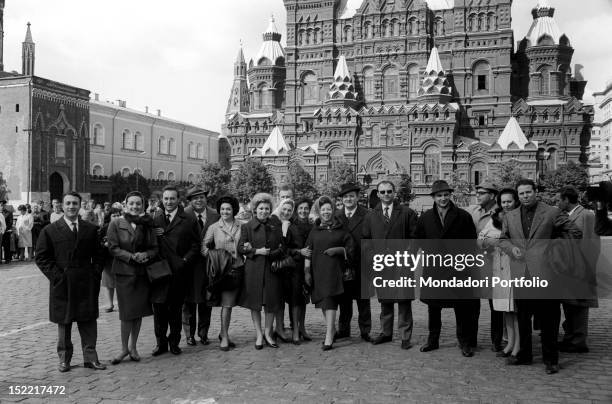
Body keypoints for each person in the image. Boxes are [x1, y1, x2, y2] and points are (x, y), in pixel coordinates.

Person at [499, 179, 582, 374]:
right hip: (521, 273)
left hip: (547, 275)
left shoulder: (551, 212)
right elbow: (503, 239)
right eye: (521, 194)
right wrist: (512, 249)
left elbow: (575, 233)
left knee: (549, 320)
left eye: (528, 192)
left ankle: (551, 360)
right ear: (518, 196)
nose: (525, 196)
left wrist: (553, 250)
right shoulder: (510, 216)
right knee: (523, 318)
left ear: (535, 192)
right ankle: (525, 355)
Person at [35, 192, 106, 372]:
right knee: (64, 323)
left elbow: (99, 255)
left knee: (88, 320)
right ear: (61, 206)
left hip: (86, 282)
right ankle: (64, 359)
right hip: (63, 283)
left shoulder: (90, 229)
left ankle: (90, 358)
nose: (71, 207)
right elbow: (42, 258)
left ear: (80, 205)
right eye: (68, 203)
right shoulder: (50, 230)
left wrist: (95, 274)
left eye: (75, 203)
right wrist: (57, 277)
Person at [416, 180, 480, 357]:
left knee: (462, 308)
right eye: (439, 195)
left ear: (450, 195)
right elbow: (418, 239)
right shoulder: (426, 217)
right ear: (433, 198)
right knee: (433, 308)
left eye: (445, 195)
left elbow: (471, 243)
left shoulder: (462, 216)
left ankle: (464, 342)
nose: (443, 198)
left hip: (457, 269)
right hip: (435, 269)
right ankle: (433, 340)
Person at [362, 181, 418, 350]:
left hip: (402, 264)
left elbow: (415, 238)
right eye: (382, 192)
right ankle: (386, 333)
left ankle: (405, 336)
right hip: (381, 265)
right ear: (377, 194)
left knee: (403, 301)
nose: (386, 194)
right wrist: (373, 257)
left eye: (389, 191)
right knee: (385, 300)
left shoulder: (407, 213)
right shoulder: (371, 215)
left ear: (394, 193)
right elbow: (366, 240)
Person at [107, 191, 157, 364]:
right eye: (132, 204)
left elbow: (154, 248)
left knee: (138, 313)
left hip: (142, 273)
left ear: (143, 206)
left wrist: (146, 254)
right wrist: (130, 256)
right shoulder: (116, 223)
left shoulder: (147, 224)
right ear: (125, 205)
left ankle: (133, 347)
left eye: (138, 204)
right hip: (124, 273)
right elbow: (112, 247)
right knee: (127, 313)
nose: (135, 207)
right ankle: (123, 349)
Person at [151, 185, 201, 356]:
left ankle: (174, 343)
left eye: (172, 198)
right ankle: (160, 343)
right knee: (159, 310)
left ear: (178, 199)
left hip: (178, 272)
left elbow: (196, 245)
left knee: (175, 309)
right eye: (166, 199)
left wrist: (184, 261)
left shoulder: (188, 219)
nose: (169, 202)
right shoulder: (155, 218)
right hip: (159, 272)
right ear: (162, 200)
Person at [305, 196, 355, 350]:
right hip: (318, 271)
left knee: (330, 301)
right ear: (319, 211)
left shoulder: (341, 228)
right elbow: (308, 251)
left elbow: (352, 248)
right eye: (323, 209)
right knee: (323, 302)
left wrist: (340, 250)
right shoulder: (315, 229)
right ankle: (331, 329)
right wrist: (307, 271)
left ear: (333, 211)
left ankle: (328, 336)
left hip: (334, 271)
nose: (326, 212)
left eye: (328, 209)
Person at [557, 185, 600, 353]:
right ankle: (570, 338)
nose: (558, 203)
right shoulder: (564, 215)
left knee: (580, 307)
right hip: (566, 269)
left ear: (566, 200)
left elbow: (592, 244)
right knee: (569, 305)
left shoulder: (587, 215)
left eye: (559, 200)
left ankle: (579, 342)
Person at [478, 188, 521, 359]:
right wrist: (491, 241)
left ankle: (518, 345)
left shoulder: (520, 217)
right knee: (506, 309)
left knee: (516, 309)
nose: (506, 205)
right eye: (503, 202)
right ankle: (510, 342)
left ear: (515, 201)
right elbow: (480, 239)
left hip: (516, 267)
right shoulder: (497, 217)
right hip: (499, 268)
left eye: (509, 201)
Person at [238, 193, 285, 349]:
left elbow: (282, 247)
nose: (264, 211)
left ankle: (267, 333)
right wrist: (256, 251)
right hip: (254, 270)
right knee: (255, 303)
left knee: (271, 302)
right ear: (255, 209)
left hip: (272, 269)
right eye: (261, 208)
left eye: (267, 208)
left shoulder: (275, 225)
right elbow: (240, 248)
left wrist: (272, 253)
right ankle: (259, 334)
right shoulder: (247, 226)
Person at [202, 195, 243, 351]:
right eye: (223, 209)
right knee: (225, 303)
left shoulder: (241, 226)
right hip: (221, 271)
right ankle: (224, 336)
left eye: (228, 209)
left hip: (237, 268)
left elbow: (245, 244)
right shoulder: (214, 227)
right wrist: (215, 258)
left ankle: (223, 332)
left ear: (234, 210)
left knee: (230, 304)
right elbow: (204, 247)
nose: (225, 211)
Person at [468, 182, 504, 352]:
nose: (478, 195)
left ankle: (496, 341)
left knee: (495, 304)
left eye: (482, 193)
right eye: (477, 192)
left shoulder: (501, 213)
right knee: (472, 305)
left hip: (494, 264)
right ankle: (470, 341)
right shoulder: (473, 212)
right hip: (474, 264)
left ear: (492, 195)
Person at [335, 182, 372, 342]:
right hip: (343, 264)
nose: (348, 199)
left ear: (357, 197)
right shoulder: (336, 216)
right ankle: (343, 330)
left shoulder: (368, 214)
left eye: (351, 196)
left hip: (362, 263)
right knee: (344, 300)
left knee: (363, 300)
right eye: (345, 197)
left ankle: (365, 331)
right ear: (342, 199)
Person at [182, 187, 219, 346]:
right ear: (190, 200)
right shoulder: (183, 214)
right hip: (189, 265)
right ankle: (189, 334)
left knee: (206, 300)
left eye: (202, 197)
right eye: (195, 198)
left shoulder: (215, 215)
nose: (199, 200)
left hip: (207, 264)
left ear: (206, 199)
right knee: (188, 301)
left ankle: (203, 333)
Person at [100, 208, 123, 313]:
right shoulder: (104, 228)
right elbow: (99, 241)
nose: (116, 217)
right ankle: (109, 304)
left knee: (121, 282)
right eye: (114, 215)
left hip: (121, 258)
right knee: (108, 282)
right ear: (109, 217)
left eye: (118, 215)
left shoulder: (124, 227)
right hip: (108, 258)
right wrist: (104, 244)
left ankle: (122, 303)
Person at [1, 199, 14, 264]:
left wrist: (5, 229)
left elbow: (10, 222)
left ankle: (7, 259)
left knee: (6, 246)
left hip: (6, 231)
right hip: (0, 232)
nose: (1, 206)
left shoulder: (8, 213)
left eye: (2, 204)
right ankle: (0, 259)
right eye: (0, 204)